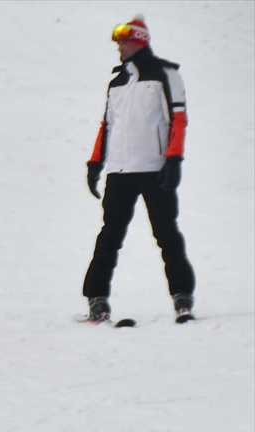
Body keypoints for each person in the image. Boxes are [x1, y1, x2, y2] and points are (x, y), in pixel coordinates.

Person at [82, 16, 195, 323]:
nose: (119, 46)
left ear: (140, 40)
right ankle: (97, 299)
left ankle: (182, 296)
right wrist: (95, 164)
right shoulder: (117, 81)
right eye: (117, 41)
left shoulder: (165, 74)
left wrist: (173, 161)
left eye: (124, 40)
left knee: (167, 234)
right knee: (110, 237)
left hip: (154, 169)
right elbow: (107, 126)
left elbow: (178, 119)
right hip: (120, 171)